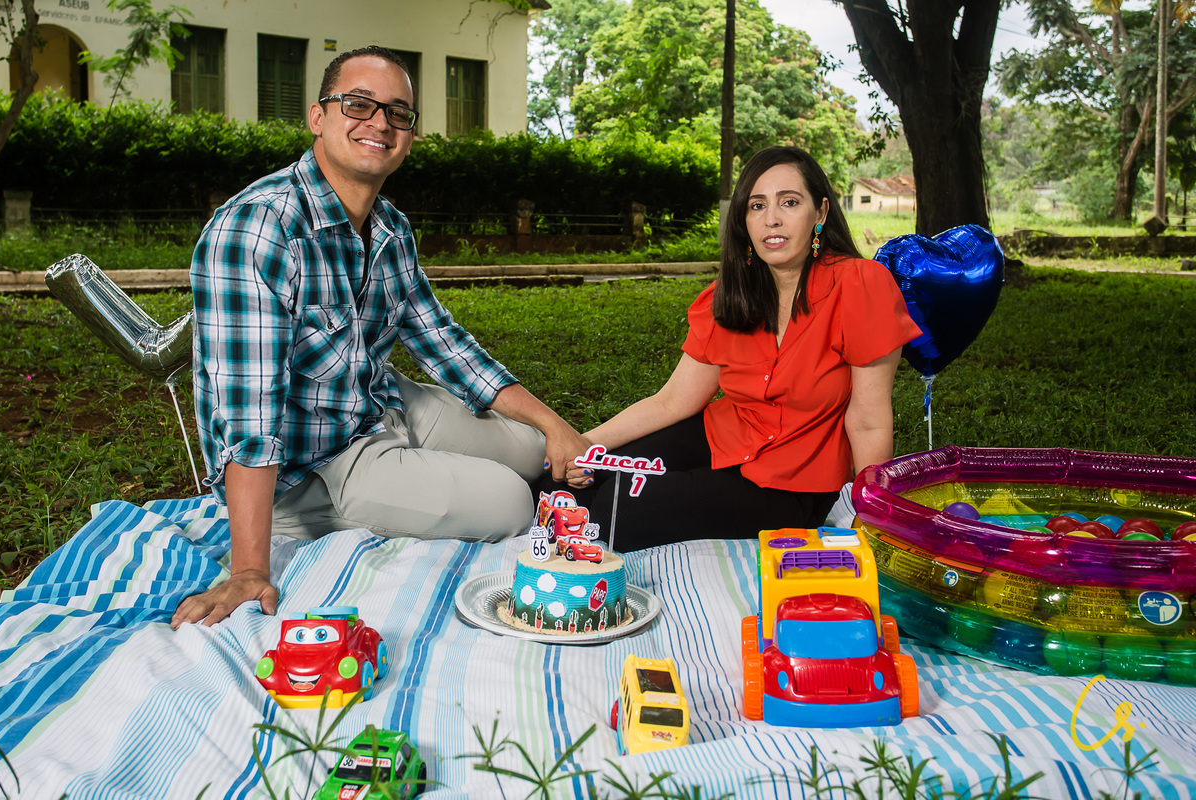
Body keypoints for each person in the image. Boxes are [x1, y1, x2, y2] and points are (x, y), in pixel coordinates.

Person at [174, 46, 587, 628]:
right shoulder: (258, 229)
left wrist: (555, 425)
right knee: (513, 501)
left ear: (410, 135)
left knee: (530, 447)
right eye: (359, 104)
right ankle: (324, 512)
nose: (380, 123)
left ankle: (419, 463)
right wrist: (248, 570)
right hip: (313, 464)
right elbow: (249, 415)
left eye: (397, 112)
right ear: (319, 117)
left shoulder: (391, 227)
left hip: (379, 405)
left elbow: (442, 342)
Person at [541, 145, 921, 550]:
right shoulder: (728, 294)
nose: (771, 219)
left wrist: (875, 518)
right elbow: (672, 402)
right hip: (720, 436)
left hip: (793, 482)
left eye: (789, 202)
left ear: (821, 213)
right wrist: (586, 445)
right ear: (743, 219)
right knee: (556, 485)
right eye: (757, 205)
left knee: (616, 513)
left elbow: (867, 421)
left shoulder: (861, 286)